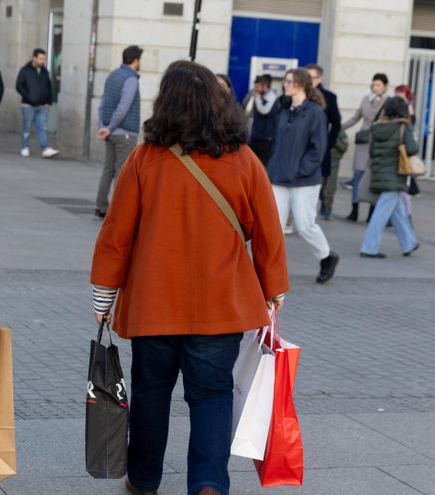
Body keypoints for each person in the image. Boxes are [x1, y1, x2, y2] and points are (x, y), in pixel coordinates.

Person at [91, 60, 288, 495]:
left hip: (154, 305)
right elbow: (269, 232)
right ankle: (208, 483)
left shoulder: (146, 158)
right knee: (212, 395)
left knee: (151, 393)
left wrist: (103, 296)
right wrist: (273, 289)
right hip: (221, 307)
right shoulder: (244, 160)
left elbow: (116, 234)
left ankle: (143, 479)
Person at [267, 68, 339, 284]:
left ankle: (326, 256)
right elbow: (276, 142)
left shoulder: (315, 113)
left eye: (289, 81)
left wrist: (299, 170)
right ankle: (270, 270)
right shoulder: (283, 109)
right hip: (279, 176)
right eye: (285, 81)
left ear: (301, 85)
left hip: (304, 180)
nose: (285, 85)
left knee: (304, 224)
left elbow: (318, 149)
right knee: (274, 226)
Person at [359, 97, 420, 258]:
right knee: (381, 213)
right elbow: (412, 149)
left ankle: (409, 242)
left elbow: (372, 152)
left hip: (379, 173)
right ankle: (369, 247)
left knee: (398, 210)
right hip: (394, 175)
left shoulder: (377, 126)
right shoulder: (402, 127)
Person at [94, 45, 142, 219]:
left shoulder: (113, 75)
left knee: (108, 169)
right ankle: (117, 211)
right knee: (122, 172)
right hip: (124, 133)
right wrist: (110, 127)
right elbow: (124, 107)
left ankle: (101, 206)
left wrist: (103, 126)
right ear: (136, 61)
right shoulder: (131, 79)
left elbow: (103, 102)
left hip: (110, 131)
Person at [342, 73, 389, 221]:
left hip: (379, 144)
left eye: (379, 85)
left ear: (385, 87)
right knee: (358, 176)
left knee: (373, 179)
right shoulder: (365, 99)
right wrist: (339, 127)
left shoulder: (389, 102)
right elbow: (356, 118)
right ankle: (354, 209)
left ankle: (371, 212)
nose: (375, 88)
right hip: (363, 144)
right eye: (374, 84)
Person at [306, 64, 342, 220]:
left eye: (312, 77)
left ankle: (319, 211)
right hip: (301, 146)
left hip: (319, 148)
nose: (309, 81)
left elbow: (336, 123)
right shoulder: (300, 94)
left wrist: (329, 142)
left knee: (319, 181)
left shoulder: (329, 97)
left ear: (320, 78)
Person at [16, 48, 59, 158]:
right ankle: (25, 146)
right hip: (28, 105)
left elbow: (49, 87)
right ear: (34, 58)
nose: (42, 61)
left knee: (42, 127)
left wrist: (49, 101)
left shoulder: (45, 72)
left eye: (43, 59)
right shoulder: (25, 70)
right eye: (40, 58)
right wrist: (29, 97)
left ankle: (45, 148)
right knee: (27, 127)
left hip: (42, 105)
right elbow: (19, 86)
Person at [243, 74, 279, 166]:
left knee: (264, 163)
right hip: (255, 135)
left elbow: (264, 110)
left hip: (266, 137)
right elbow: (245, 107)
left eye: (257, 86)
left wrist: (258, 98)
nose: (255, 88)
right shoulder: (253, 94)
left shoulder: (272, 97)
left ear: (265, 86)